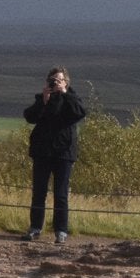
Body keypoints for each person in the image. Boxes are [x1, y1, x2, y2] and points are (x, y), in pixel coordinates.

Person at [23, 66, 86, 243]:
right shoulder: (43, 99)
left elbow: (79, 112)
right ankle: (35, 227)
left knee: (61, 193)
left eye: (58, 80)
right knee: (39, 192)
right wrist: (44, 101)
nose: (55, 83)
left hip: (64, 152)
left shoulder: (72, 99)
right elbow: (30, 116)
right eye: (52, 80)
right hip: (42, 151)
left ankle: (61, 231)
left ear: (66, 82)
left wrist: (64, 93)